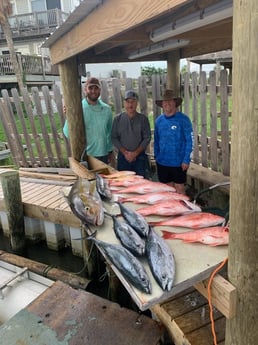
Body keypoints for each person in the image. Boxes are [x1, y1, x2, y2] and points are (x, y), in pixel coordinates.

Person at [63, 77, 113, 164]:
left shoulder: (106, 109)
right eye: (90, 88)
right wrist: (69, 116)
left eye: (96, 88)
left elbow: (109, 132)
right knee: (88, 177)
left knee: (103, 177)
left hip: (103, 154)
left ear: (100, 90)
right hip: (85, 155)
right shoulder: (78, 108)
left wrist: (110, 151)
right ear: (85, 89)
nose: (93, 91)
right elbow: (68, 133)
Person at [154, 89, 193, 194]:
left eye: (170, 100)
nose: (167, 103)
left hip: (179, 163)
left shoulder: (184, 120)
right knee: (167, 189)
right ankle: (171, 209)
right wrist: (156, 156)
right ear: (162, 104)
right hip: (162, 161)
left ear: (175, 102)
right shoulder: (158, 121)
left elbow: (190, 141)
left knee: (179, 188)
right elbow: (156, 140)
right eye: (165, 101)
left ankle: (183, 210)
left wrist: (186, 159)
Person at [111, 90, 151, 177]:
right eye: (128, 102)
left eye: (133, 102)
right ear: (124, 103)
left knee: (141, 183)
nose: (130, 105)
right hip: (123, 157)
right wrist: (125, 153)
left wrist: (135, 153)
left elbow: (147, 137)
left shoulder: (143, 119)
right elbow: (114, 137)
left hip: (140, 157)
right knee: (124, 183)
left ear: (137, 103)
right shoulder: (117, 119)